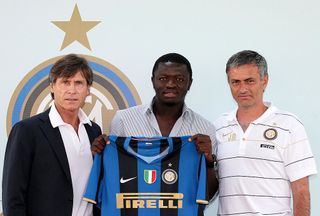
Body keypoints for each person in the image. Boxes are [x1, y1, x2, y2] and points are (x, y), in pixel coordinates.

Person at [92, 53, 219, 210]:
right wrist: (99, 151)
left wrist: (208, 162)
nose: (171, 84)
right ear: (153, 81)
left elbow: (209, 194)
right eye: (163, 78)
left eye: (179, 79)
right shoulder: (124, 120)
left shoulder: (204, 129)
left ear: (189, 83)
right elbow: (110, 180)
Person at [214, 50, 317, 216]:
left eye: (249, 81)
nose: (242, 89)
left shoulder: (289, 125)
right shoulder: (219, 126)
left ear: (265, 80)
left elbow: (301, 190)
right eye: (236, 82)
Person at [2, 54, 102, 216]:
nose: (72, 90)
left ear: (88, 89)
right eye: (65, 82)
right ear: (52, 86)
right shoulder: (27, 131)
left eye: (78, 83)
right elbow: (13, 196)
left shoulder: (93, 131)